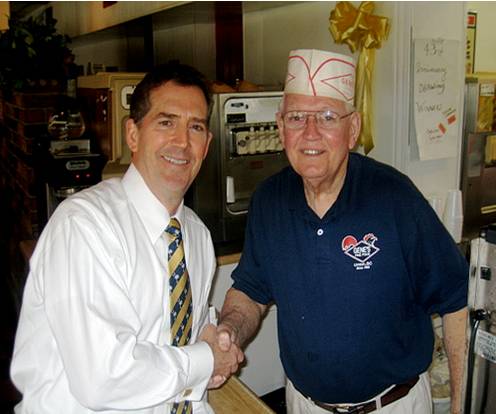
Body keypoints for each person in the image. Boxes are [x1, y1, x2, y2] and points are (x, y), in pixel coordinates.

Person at [216, 49, 468, 414]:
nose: (310, 133)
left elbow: (454, 297)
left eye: (328, 117)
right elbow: (251, 291)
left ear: (352, 130)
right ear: (280, 126)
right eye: (297, 117)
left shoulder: (395, 197)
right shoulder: (269, 200)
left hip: (393, 406)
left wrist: (460, 406)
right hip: (304, 404)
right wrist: (228, 331)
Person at [11, 62, 243, 414]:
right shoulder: (84, 227)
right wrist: (205, 360)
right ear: (132, 134)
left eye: (195, 127)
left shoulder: (196, 236)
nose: (182, 142)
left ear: (207, 144)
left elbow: (180, 335)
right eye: (166, 122)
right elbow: (104, 379)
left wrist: (213, 342)